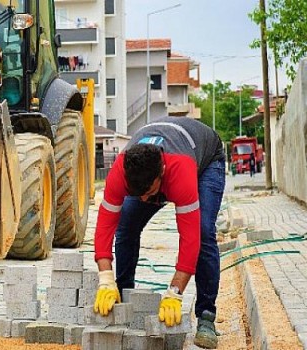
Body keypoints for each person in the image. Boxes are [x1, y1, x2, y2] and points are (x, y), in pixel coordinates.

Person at [92, 117, 225, 349]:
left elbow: (189, 236)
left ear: (161, 174)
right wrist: (105, 279)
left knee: (204, 232)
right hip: (160, 160)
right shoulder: (121, 172)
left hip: (206, 160)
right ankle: (122, 296)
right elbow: (105, 226)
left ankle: (206, 316)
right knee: (127, 225)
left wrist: (175, 292)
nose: (144, 199)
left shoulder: (180, 171)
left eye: (148, 192)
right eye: (137, 193)